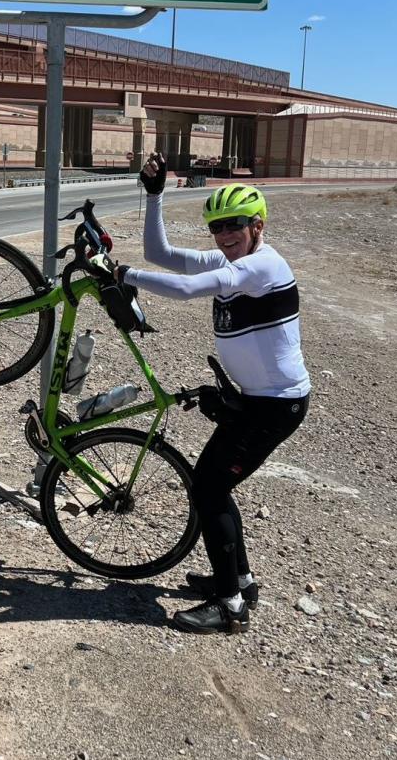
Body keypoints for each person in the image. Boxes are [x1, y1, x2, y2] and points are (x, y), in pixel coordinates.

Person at [116, 154, 311, 635]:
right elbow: (161, 254)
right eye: (217, 227)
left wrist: (123, 276)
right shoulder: (231, 257)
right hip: (257, 400)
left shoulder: (260, 266)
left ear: (257, 224)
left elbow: (184, 289)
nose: (225, 234)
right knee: (213, 485)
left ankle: (231, 607)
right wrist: (156, 194)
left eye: (235, 226)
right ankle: (239, 581)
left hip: (276, 406)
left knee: (208, 487)